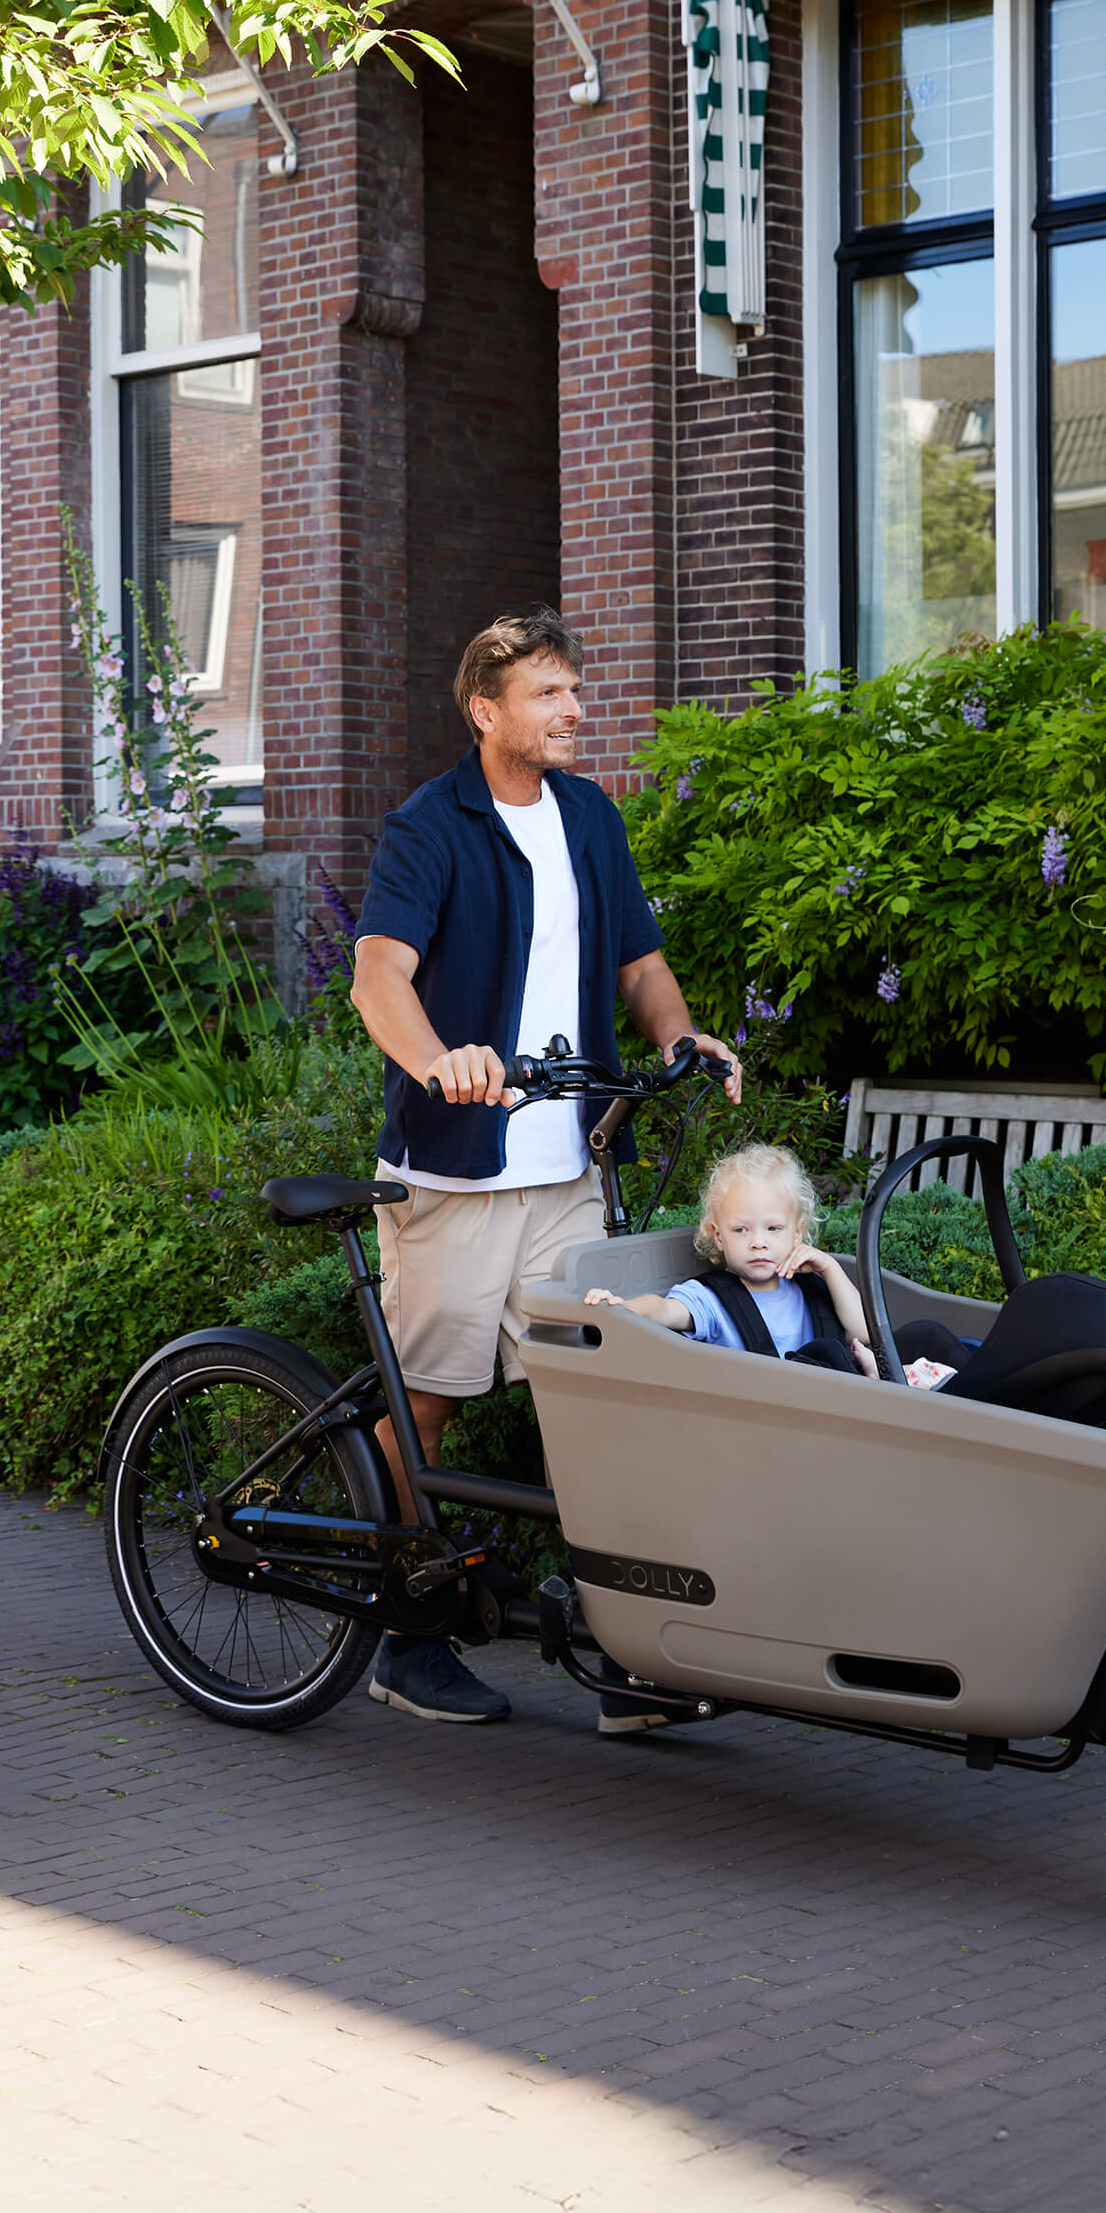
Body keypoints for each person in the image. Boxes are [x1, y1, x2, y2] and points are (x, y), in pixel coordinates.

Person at [350, 607, 741, 1725]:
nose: (576, 709)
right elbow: (380, 976)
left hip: (568, 1166)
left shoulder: (585, 814)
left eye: (575, 690)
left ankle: (623, 1657)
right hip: (459, 1172)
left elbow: (639, 956)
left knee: (598, 1398)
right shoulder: (430, 825)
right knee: (427, 1406)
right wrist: (437, 1062)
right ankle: (403, 1636)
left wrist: (677, 1039)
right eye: (550, 694)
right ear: (487, 710)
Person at [584, 1144, 876, 1376]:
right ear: (719, 1236)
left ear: (797, 1233)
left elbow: (867, 1332)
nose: (758, 1242)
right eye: (740, 1230)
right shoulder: (711, 1299)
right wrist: (623, 1307)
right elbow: (663, 1310)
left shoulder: (811, 1288)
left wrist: (830, 1268)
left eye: (773, 1228)